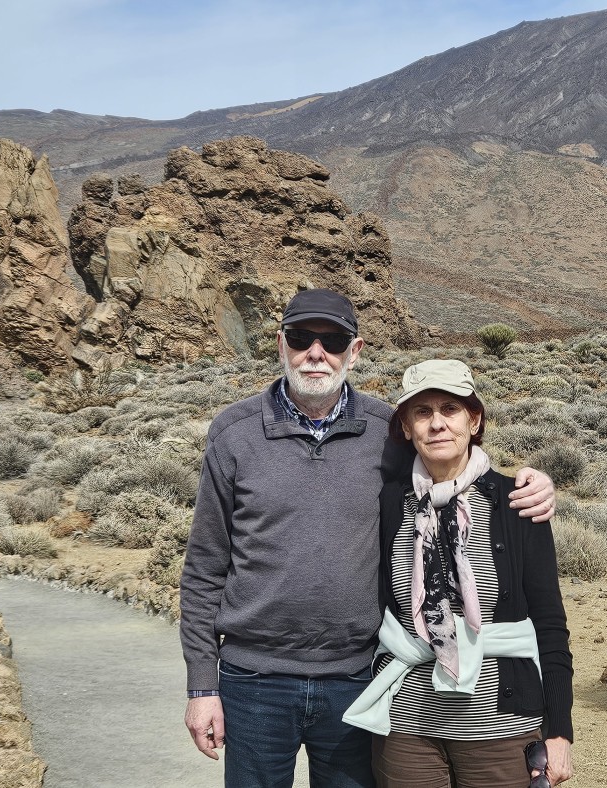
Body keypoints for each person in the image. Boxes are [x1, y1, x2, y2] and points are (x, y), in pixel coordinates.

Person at [180, 289, 557, 788]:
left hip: (357, 677)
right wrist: (202, 686)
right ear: (281, 345)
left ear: (354, 351)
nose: (316, 353)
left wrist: (532, 483)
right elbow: (204, 569)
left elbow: (451, 466)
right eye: (301, 338)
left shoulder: (386, 433)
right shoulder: (234, 433)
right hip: (253, 682)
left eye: (333, 341)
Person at [342, 359, 574, 787]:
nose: (437, 424)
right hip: (407, 729)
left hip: (501, 728)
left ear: (474, 420)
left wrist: (559, 730)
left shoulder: (517, 503)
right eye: (422, 412)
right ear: (407, 427)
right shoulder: (390, 503)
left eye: (450, 409)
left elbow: (549, 623)